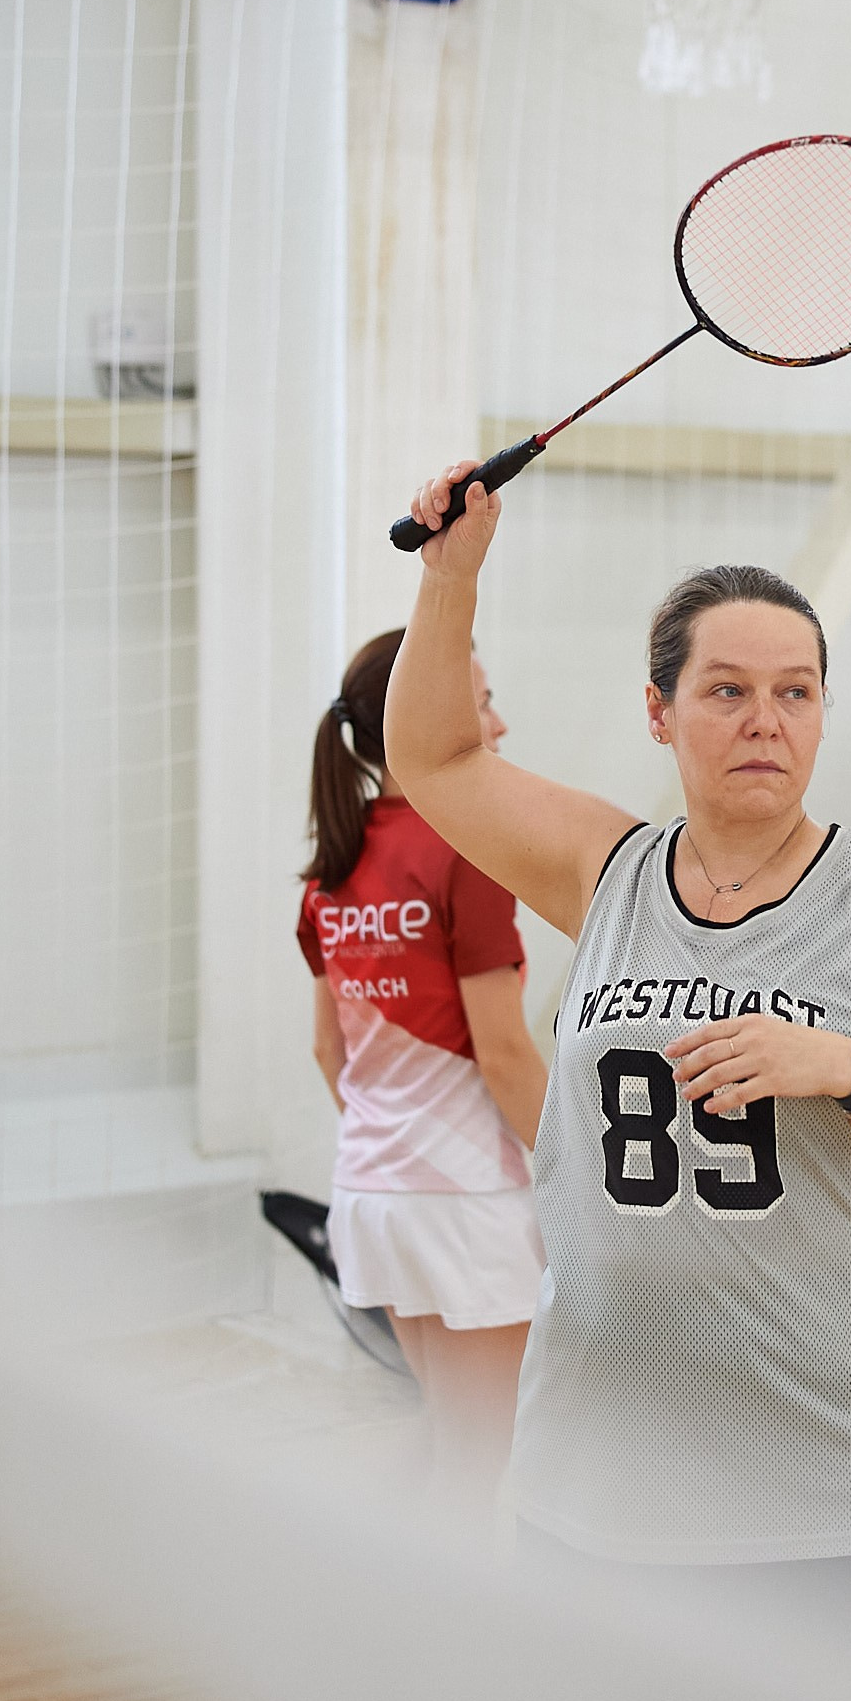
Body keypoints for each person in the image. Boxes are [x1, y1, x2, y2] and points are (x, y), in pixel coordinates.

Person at [385, 462, 851, 1701]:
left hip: (832, 1484)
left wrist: (850, 1070)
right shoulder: (604, 870)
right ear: (661, 713)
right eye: (727, 691)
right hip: (601, 1480)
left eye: (795, 693)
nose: (763, 720)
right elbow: (435, 755)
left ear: (825, 714)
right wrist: (451, 582)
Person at [300, 630, 550, 1516]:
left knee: (448, 1439)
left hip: (373, 1197)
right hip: (465, 1204)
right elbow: (506, 1052)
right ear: (430, 715)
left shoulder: (332, 866)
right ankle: (440, 1645)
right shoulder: (465, 855)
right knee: (480, 1462)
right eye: (483, 702)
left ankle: (355, 1608)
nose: (502, 723)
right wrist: (579, 1173)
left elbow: (331, 1054)